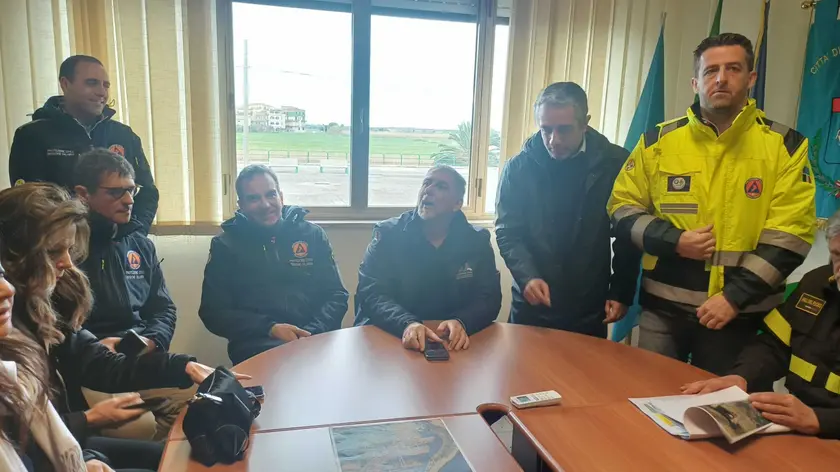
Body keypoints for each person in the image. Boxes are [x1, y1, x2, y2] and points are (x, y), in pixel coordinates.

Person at [0, 182, 249, 471]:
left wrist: (183, 365)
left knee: (175, 458)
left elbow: (101, 364)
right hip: (55, 451)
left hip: (66, 446)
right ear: (15, 256)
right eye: (55, 251)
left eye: (69, 250)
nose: (67, 263)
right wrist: (88, 421)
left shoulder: (39, 312)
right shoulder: (10, 324)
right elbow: (21, 443)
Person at [608, 33, 816, 375]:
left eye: (732, 69)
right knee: (648, 396)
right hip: (663, 311)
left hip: (739, 316)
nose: (720, 78)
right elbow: (621, 208)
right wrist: (674, 240)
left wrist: (734, 297)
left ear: (751, 78)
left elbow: (790, 236)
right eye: (710, 71)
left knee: (722, 405)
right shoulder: (658, 143)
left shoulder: (785, 147)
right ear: (695, 82)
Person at [495, 82, 640, 338]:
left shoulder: (616, 163)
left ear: (585, 123)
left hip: (588, 304)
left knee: (582, 365)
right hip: (532, 302)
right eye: (546, 129)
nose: (554, 140)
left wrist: (621, 291)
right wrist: (527, 277)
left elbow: (627, 234)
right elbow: (508, 232)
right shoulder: (518, 168)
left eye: (564, 129)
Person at [680, 211, 840, 440]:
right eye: (837, 255)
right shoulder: (816, 284)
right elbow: (774, 344)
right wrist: (742, 376)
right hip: (793, 425)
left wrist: (820, 420)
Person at [72, 149, 191, 441]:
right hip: (97, 366)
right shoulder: (67, 248)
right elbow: (60, 324)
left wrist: (152, 341)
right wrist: (98, 348)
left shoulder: (140, 244)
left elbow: (163, 309)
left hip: (142, 356)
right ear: (83, 194)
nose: (129, 200)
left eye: (131, 190)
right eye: (116, 192)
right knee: (140, 427)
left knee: (210, 403)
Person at [199, 165, 349, 364]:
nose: (265, 204)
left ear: (281, 196)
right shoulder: (225, 245)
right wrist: (269, 328)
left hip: (316, 340)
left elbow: (336, 295)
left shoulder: (312, 235)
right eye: (254, 198)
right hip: (258, 345)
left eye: (271, 194)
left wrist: (310, 333)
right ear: (241, 205)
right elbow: (213, 312)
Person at [355, 165, 502, 351]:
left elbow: (489, 297)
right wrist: (407, 324)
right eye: (426, 183)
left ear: (457, 203)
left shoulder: (476, 241)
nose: (428, 190)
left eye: (441, 186)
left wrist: (463, 321)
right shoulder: (388, 234)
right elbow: (371, 293)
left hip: (449, 341)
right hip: (393, 335)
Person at [8, 55, 158, 234]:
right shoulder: (32, 135)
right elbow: (29, 201)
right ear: (65, 84)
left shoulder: (123, 135)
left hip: (116, 243)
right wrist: (65, 239)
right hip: (61, 242)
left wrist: (135, 234)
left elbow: (147, 192)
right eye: (92, 83)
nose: (101, 92)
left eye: (106, 85)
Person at [0, 261, 87, 472]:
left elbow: (35, 456)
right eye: (54, 252)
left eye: (1, 275)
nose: (7, 289)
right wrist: (89, 419)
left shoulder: (17, 364)